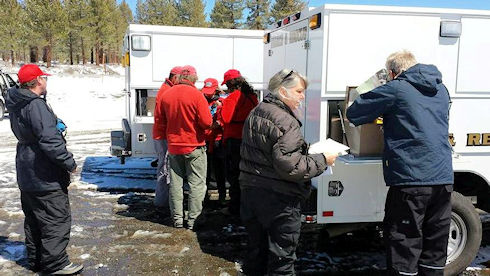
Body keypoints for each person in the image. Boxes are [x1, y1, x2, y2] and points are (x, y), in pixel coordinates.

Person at [346, 50, 453, 276]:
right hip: (443, 177)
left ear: (393, 73)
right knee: (435, 244)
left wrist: (376, 85)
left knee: (404, 242)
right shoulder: (441, 89)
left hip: (412, 178)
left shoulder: (396, 88)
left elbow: (354, 112)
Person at [240, 69, 337, 275]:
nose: (302, 97)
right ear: (283, 92)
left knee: (256, 254)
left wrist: (305, 151)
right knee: (282, 261)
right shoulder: (286, 120)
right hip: (279, 199)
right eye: (299, 91)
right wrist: (323, 159)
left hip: (252, 192)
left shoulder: (258, 110)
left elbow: (273, 153)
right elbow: (291, 167)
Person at [5, 64, 83, 275]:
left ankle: (37, 260)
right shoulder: (35, 105)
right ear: (38, 80)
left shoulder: (18, 103)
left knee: (35, 219)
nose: (46, 82)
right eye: (44, 78)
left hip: (27, 170)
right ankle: (55, 264)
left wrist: (53, 124)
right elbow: (50, 142)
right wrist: (69, 163)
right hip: (43, 173)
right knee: (55, 218)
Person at [160, 65, 213, 230]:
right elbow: (206, 122)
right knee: (196, 184)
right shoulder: (197, 95)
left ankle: (177, 219)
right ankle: (193, 220)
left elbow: (161, 120)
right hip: (194, 146)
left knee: (176, 184)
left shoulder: (166, 94)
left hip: (174, 146)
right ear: (194, 78)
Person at [219, 69, 258, 217]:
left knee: (234, 176)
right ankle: (247, 207)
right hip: (249, 140)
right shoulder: (252, 96)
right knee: (247, 175)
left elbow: (226, 119)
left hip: (234, 141)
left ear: (229, 83)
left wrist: (222, 106)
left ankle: (234, 209)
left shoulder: (232, 98)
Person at [153, 66, 182, 210]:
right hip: (163, 135)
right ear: (174, 77)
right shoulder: (166, 91)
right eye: (180, 78)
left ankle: (163, 200)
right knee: (164, 168)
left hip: (161, 134)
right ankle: (162, 202)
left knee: (164, 167)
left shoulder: (165, 89)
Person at [201, 78, 227, 206]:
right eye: (206, 91)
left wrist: (218, 123)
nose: (208, 94)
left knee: (219, 170)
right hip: (204, 140)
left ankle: (222, 196)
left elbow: (226, 119)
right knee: (204, 171)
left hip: (217, 141)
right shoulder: (201, 101)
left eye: (210, 91)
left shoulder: (222, 102)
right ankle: (204, 197)